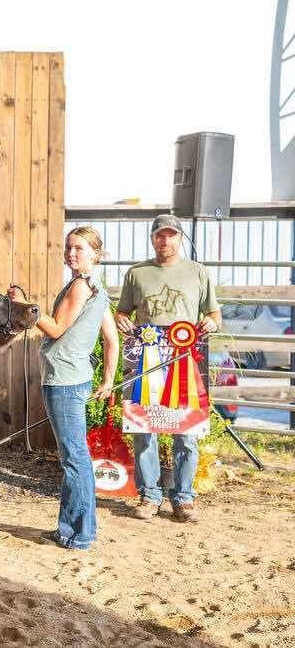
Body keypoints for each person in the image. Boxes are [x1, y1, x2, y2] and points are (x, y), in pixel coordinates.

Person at [8, 226, 118, 550]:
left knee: (74, 459)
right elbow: (111, 340)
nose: (71, 253)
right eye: (68, 247)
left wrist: (26, 307)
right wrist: (108, 380)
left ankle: (79, 534)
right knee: (76, 457)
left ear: (95, 253)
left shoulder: (81, 286)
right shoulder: (97, 287)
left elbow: (56, 329)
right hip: (77, 379)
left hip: (64, 381)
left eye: (79, 248)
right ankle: (73, 529)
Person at [115, 214, 220, 524]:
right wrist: (122, 321)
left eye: (171, 235)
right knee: (144, 428)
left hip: (185, 360)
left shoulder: (198, 272)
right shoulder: (137, 273)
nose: (165, 240)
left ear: (180, 238)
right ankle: (149, 495)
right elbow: (122, 312)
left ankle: (184, 498)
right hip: (146, 358)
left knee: (185, 430)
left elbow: (214, 314)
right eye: (160, 235)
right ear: (152, 238)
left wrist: (211, 322)